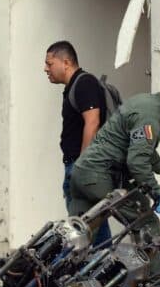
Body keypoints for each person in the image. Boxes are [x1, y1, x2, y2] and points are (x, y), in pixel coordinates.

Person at [68, 76, 160, 263]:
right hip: (99, 176)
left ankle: (51, 280)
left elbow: (143, 151)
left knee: (77, 239)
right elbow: (137, 161)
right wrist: (157, 193)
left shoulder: (146, 103)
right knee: (146, 221)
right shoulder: (151, 115)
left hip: (83, 174)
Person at [44, 41, 111, 246]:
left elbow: (93, 122)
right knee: (91, 225)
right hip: (78, 165)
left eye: (49, 63)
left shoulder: (84, 83)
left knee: (85, 227)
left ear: (66, 62)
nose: (45, 68)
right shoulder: (74, 86)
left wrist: (82, 165)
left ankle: (102, 268)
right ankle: (103, 268)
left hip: (83, 167)